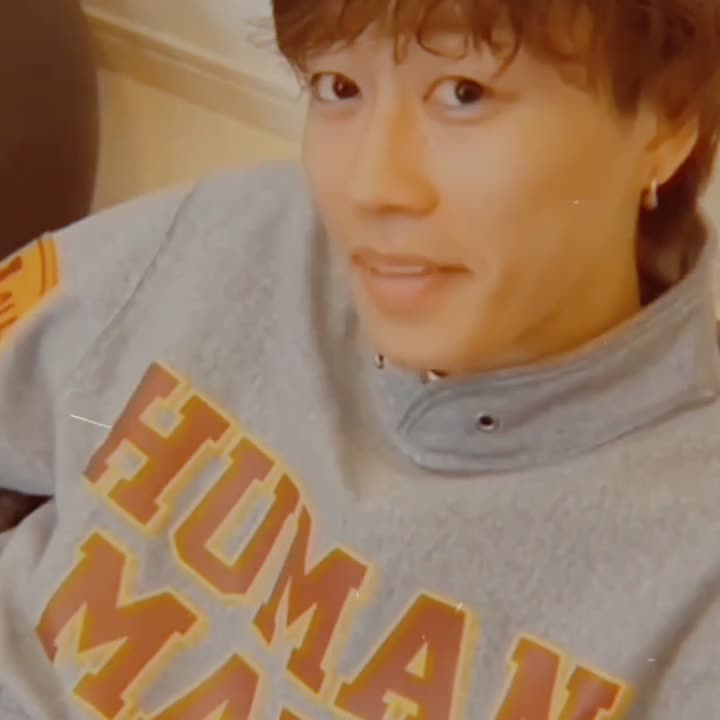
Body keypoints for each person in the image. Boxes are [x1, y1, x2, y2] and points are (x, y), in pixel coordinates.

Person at [0, 0, 719, 717]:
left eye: (465, 93)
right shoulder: (240, 235)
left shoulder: (693, 574)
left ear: (665, 124)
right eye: (338, 87)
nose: (372, 187)